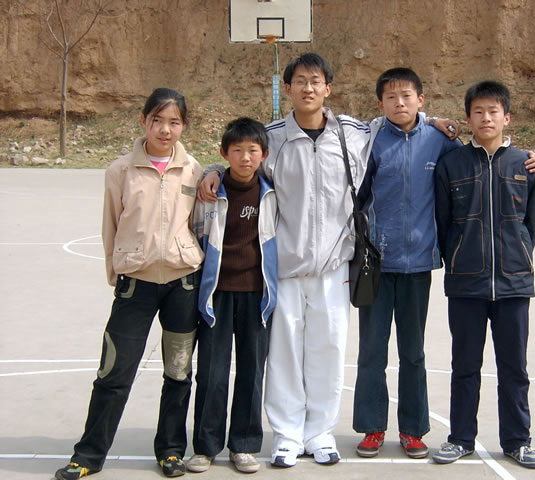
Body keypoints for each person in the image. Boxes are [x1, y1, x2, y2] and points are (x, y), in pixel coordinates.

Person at [198, 53, 455, 468]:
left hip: (335, 266)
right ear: (287, 89)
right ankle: (287, 434)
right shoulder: (273, 137)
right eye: (300, 81)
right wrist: (211, 170)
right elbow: (240, 160)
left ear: (328, 88)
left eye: (316, 81)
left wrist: (436, 120)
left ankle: (319, 432)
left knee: (328, 349)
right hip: (284, 266)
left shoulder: (354, 132)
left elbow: (401, 119)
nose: (308, 88)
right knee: (284, 354)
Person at [353, 69, 535, 460]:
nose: (400, 103)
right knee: (372, 351)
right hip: (377, 263)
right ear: (379, 103)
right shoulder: (370, 141)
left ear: (421, 100)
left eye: (407, 95)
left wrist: (517, 253)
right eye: (391, 97)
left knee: (415, 353)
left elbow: (530, 222)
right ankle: (374, 427)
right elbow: (357, 195)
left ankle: (414, 430)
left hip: (423, 265)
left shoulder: (444, 143)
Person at [54, 88, 204, 480]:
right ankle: (88, 456)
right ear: (143, 121)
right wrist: (115, 272)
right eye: (158, 120)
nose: (165, 129)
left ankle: (170, 451)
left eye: (174, 122)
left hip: (183, 285)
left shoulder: (194, 170)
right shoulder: (120, 170)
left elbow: (200, 224)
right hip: (135, 285)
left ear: (184, 126)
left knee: (178, 372)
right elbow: (110, 224)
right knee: (113, 372)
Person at [433, 80, 535, 469]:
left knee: (514, 368)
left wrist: (519, 255)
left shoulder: (525, 165)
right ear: (468, 119)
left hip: (514, 283)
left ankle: (517, 440)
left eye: (493, 111)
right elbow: (443, 223)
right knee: (465, 367)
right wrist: (458, 257)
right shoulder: (452, 165)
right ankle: (460, 438)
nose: (486, 118)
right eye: (478, 111)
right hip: (466, 283)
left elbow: (532, 223)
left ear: (506, 117)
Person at [185, 117, 277, 475]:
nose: (245, 158)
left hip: (257, 295)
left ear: (264, 154)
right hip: (217, 295)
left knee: (252, 372)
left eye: (252, 150)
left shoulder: (272, 192)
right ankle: (206, 447)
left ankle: (244, 445)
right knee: (211, 372)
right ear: (224, 153)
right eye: (237, 150)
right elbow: (195, 232)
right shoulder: (210, 191)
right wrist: (211, 173)